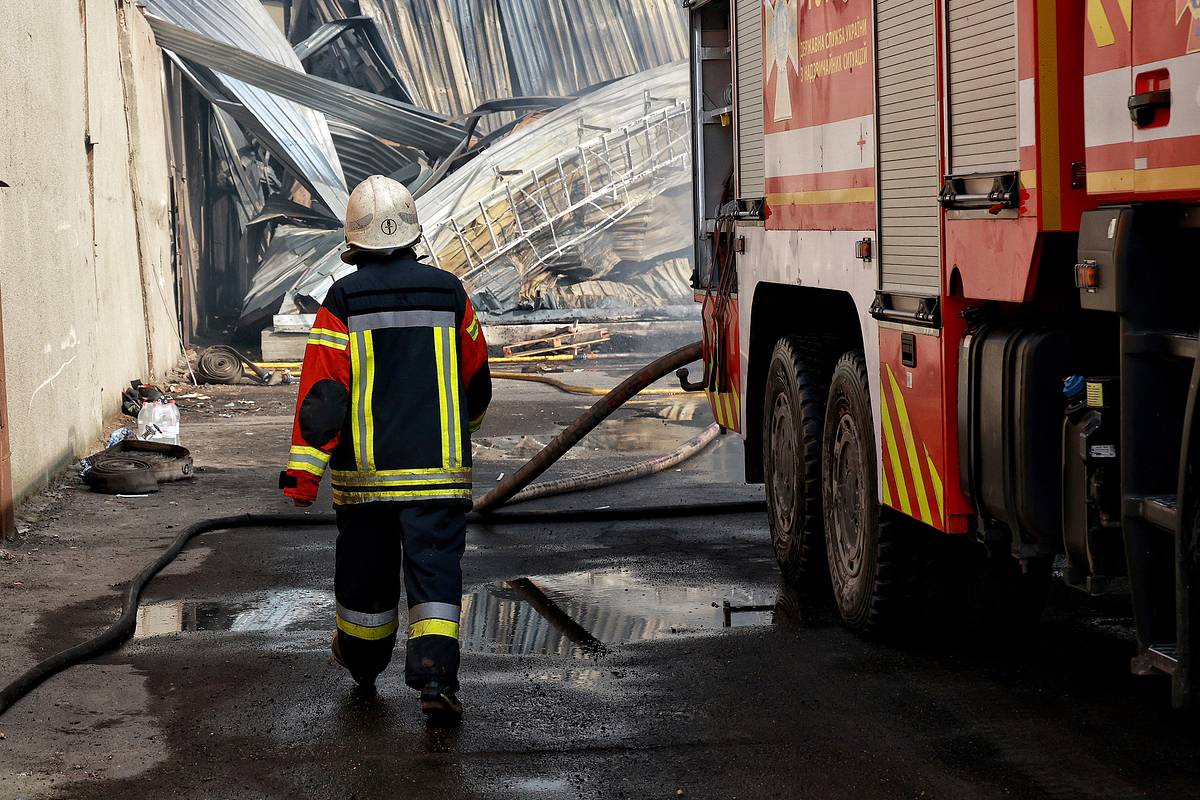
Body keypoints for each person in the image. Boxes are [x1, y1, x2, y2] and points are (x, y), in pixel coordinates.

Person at [279, 175, 491, 723]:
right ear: (413, 233)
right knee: (435, 578)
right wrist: (463, 427)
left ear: (355, 242)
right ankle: (435, 680)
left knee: (366, 583)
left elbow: (325, 396)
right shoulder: (451, 294)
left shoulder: (343, 300)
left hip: (366, 483)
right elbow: (477, 382)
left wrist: (303, 476)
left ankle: (364, 666)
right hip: (439, 478)